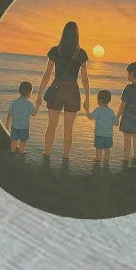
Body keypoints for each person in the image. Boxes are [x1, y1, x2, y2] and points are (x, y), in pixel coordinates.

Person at [36, 21, 89, 167]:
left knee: (51, 126)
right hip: (72, 92)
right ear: (77, 35)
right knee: (68, 128)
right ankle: (65, 157)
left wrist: (39, 94)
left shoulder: (56, 51)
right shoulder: (80, 53)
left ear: (64, 33)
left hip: (57, 89)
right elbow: (84, 77)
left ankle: (46, 155)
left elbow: (47, 74)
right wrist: (87, 97)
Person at [89, 90, 117, 172]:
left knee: (99, 150)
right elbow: (116, 123)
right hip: (109, 135)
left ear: (100, 100)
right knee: (107, 150)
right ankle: (106, 165)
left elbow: (91, 117)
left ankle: (97, 165)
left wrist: (87, 110)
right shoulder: (111, 111)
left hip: (99, 135)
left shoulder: (98, 110)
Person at [6, 81, 36, 155]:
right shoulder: (29, 103)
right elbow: (33, 114)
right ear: (29, 93)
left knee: (14, 140)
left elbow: (9, 114)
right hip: (24, 127)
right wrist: (38, 105)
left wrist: (7, 125)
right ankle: (21, 152)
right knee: (23, 141)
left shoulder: (14, 102)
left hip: (14, 126)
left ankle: (12, 152)